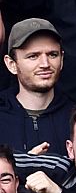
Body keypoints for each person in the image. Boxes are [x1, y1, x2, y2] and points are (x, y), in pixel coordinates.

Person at [0, 18, 70, 153]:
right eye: (33, 56)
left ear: (61, 60)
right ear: (11, 64)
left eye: (52, 55)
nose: (45, 64)